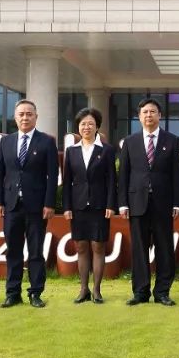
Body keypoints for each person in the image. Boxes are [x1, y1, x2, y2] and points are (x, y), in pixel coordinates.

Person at [119, 98, 179, 306]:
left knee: (164, 248)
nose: (149, 115)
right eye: (145, 112)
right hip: (137, 203)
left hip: (163, 204)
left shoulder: (171, 140)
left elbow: (176, 174)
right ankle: (141, 292)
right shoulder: (130, 142)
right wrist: (123, 203)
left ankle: (162, 292)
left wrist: (177, 202)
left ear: (160, 115)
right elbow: (124, 175)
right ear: (139, 117)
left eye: (153, 111)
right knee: (139, 249)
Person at [0, 99, 59, 308]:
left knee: (36, 251)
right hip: (11, 205)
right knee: (13, 250)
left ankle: (35, 293)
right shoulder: (6, 142)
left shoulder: (47, 142)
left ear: (36, 117)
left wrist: (49, 204)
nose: (25, 118)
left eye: (29, 114)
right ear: (15, 117)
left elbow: (52, 176)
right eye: (21, 114)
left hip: (37, 207)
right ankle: (12, 293)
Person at [62, 107, 117, 304]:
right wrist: (66, 207)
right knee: (81, 247)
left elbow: (112, 180)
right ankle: (83, 289)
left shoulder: (107, 150)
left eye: (91, 124)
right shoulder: (71, 151)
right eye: (83, 124)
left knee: (98, 246)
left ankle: (97, 290)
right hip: (78, 206)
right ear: (78, 127)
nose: (87, 127)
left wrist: (111, 204)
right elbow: (67, 181)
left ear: (97, 127)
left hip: (100, 205)